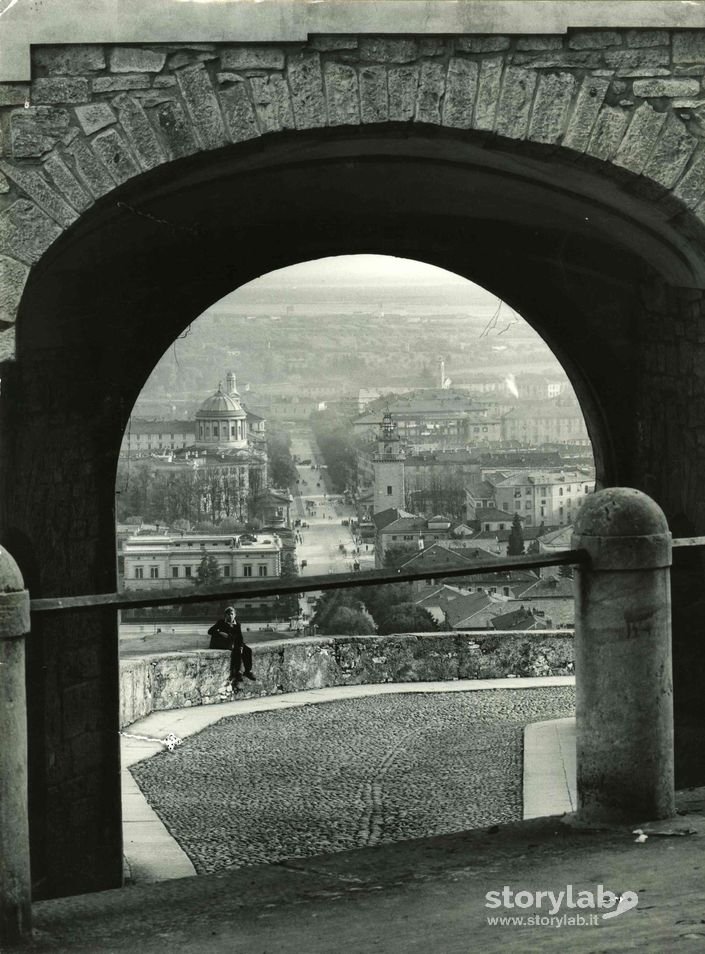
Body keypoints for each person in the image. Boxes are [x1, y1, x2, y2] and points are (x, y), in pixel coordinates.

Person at [208, 606, 255, 687]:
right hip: (223, 643)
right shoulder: (221, 622)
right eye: (228, 614)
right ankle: (237, 674)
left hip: (233, 642)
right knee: (236, 651)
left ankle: (248, 671)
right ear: (225, 615)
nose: (230, 616)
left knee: (247, 650)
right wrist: (220, 633)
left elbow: (240, 637)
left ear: (235, 615)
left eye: (232, 614)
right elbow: (210, 631)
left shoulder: (237, 624)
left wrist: (241, 646)